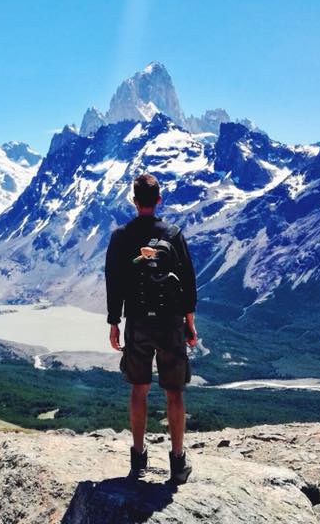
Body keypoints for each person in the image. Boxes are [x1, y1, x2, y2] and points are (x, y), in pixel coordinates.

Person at [105, 173, 198, 486]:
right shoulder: (173, 234)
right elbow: (188, 281)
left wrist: (114, 322)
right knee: (174, 391)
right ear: (159, 200)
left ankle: (138, 460)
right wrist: (189, 323)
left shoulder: (121, 236)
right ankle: (177, 463)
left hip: (137, 321)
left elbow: (114, 281)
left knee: (139, 388)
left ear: (134, 201)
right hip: (170, 322)